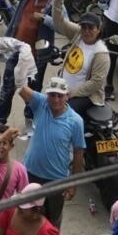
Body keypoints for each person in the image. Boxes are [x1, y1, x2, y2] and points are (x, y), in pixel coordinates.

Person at [16, 75, 83, 226]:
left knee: (51, 223)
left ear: (67, 96)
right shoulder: (41, 103)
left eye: (60, 95)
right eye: (52, 95)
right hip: (30, 173)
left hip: (56, 180)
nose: (56, 100)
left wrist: (73, 184)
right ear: (47, 95)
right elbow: (20, 87)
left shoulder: (76, 121)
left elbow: (79, 153)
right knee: (24, 215)